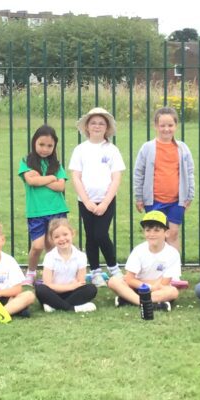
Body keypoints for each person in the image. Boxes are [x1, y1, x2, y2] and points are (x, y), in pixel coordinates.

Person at [68, 107, 125, 283]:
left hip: (106, 201)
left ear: (107, 128)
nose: (97, 126)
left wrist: (105, 203)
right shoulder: (80, 150)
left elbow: (116, 178)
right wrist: (87, 201)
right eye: (93, 123)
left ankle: (114, 268)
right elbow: (76, 177)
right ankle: (95, 271)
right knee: (91, 236)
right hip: (85, 201)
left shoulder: (112, 150)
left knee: (101, 234)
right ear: (87, 127)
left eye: (101, 123)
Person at [133, 107, 195, 249]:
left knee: (172, 234)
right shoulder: (147, 148)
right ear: (156, 126)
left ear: (176, 126)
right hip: (154, 201)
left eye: (170, 125)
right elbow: (139, 173)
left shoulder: (182, 148)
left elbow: (190, 172)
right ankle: (156, 262)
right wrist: (139, 197)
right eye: (162, 125)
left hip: (176, 201)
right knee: (156, 235)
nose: (166, 129)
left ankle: (173, 263)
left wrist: (189, 195)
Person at [18, 124, 69, 284]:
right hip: (36, 211)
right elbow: (31, 181)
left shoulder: (56, 165)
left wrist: (41, 179)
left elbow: (60, 186)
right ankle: (31, 273)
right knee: (38, 246)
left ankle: (52, 275)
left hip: (57, 210)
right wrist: (52, 178)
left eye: (49, 146)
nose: (45, 149)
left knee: (53, 246)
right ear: (34, 142)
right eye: (41, 144)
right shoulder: (26, 161)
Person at [108, 210, 181, 310]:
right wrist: (150, 285)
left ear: (166, 233)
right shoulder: (138, 250)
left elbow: (164, 283)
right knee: (113, 281)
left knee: (173, 292)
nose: (151, 234)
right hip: (137, 288)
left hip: (157, 290)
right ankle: (144, 302)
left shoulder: (173, 253)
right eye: (148, 230)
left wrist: (140, 282)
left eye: (156, 230)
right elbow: (129, 279)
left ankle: (129, 299)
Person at [34, 218, 97, 313]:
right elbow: (47, 284)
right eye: (57, 237)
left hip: (72, 293)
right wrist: (70, 287)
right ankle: (72, 308)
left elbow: (80, 283)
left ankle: (55, 306)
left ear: (72, 234)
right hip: (53, 292)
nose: (62, 239)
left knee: (91, 289)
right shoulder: (49, 257)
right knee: (40, 289)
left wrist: (72, 288)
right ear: (52, 239)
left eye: (65, 234)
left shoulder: (81, 256)